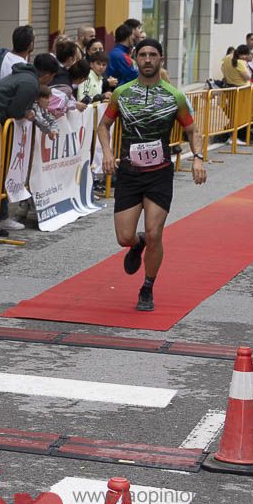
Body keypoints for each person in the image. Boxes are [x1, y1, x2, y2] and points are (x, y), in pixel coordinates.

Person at [96, 39, 206, 312]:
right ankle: (138, 243)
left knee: (156, 233)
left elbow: (192, 130)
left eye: (152, 55)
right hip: (130, 173)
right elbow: (103, 126)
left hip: (159, 174)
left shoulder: (174, 96)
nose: (147, 59)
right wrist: (107, 154)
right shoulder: (122, 93)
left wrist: (198, 159)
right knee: (124, 237)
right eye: (143, 55)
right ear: (135, 59)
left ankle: (147, 287)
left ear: (161, 59)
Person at [0, 53, 62, 230]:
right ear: (48, 75)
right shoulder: (30, 83)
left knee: (2, 171)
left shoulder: (25, 77)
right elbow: (16, 110)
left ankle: (0, 216)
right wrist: (25, 113)